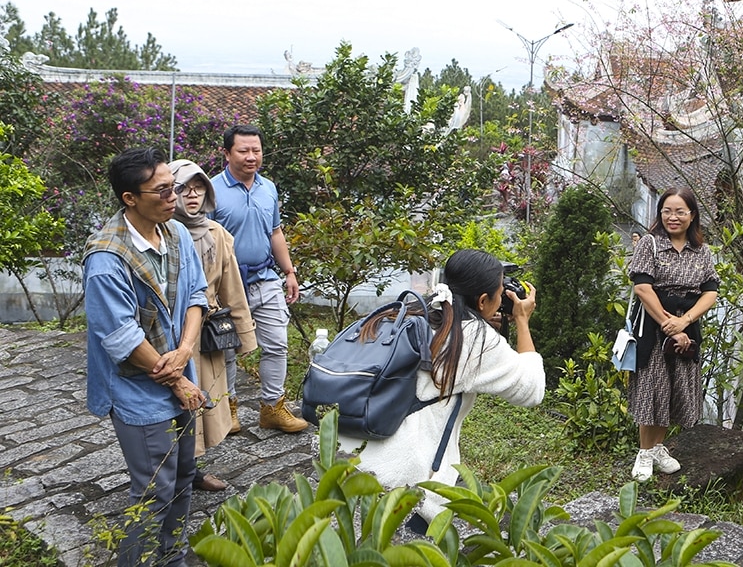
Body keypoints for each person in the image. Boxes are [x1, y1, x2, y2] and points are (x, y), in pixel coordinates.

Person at [341, 249, 545, 533]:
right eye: (500, 294)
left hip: (349, 458)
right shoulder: (475, 340)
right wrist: (522, 322)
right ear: (483, 300)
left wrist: (482, 322)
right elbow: (532, 389)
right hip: (402, 485)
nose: (503, 301)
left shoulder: (409, 311)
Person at [83, 147, 210, 566]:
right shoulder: (106, 258)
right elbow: (120, 339)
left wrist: (186, 350)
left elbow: (195, 295)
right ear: (129, 198)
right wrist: (177, 379)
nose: (174, 196)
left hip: (181, 372)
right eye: (162, 190)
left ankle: (171, 557)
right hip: (138, 388)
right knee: (154, 486)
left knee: (184, 475)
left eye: (172, 186)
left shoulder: (173, 233)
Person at [210, 124, 308, 433]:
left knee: (277, 344)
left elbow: (275, 232)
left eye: (256, 150)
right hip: (227, 284)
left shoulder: (269, 188)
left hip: (265, 277)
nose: (251, 157)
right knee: (226, 350)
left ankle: (272, 407)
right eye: (243, 151)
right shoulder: (211, 191)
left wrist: (289, 272)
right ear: (226, 153)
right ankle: (228, 409)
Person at [170, 159, 259, 491]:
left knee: (201, 405)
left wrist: (244, 335)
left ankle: (190, 471)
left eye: (199, 188)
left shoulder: (217, 234)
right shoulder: (162, 232)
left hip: (205, 333)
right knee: (170, 403)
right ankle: (168, 473)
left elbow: (231, 286)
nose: (192, 196)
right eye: (183, 188)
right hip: (169, 334)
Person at [627, 187, 719, 482]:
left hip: (687, 328)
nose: (673, 217)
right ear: (660, 213)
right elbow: (642, 288)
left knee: (675, 388)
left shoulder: (702, 252)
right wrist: (670, 325)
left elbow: (710, 293)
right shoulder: (650, 244)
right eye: (667, 211)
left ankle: (657, 448)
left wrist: (685, 323)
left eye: (680, 211)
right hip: (653, 329)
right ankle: (643, 452)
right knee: (652, 389)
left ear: (692, 216)